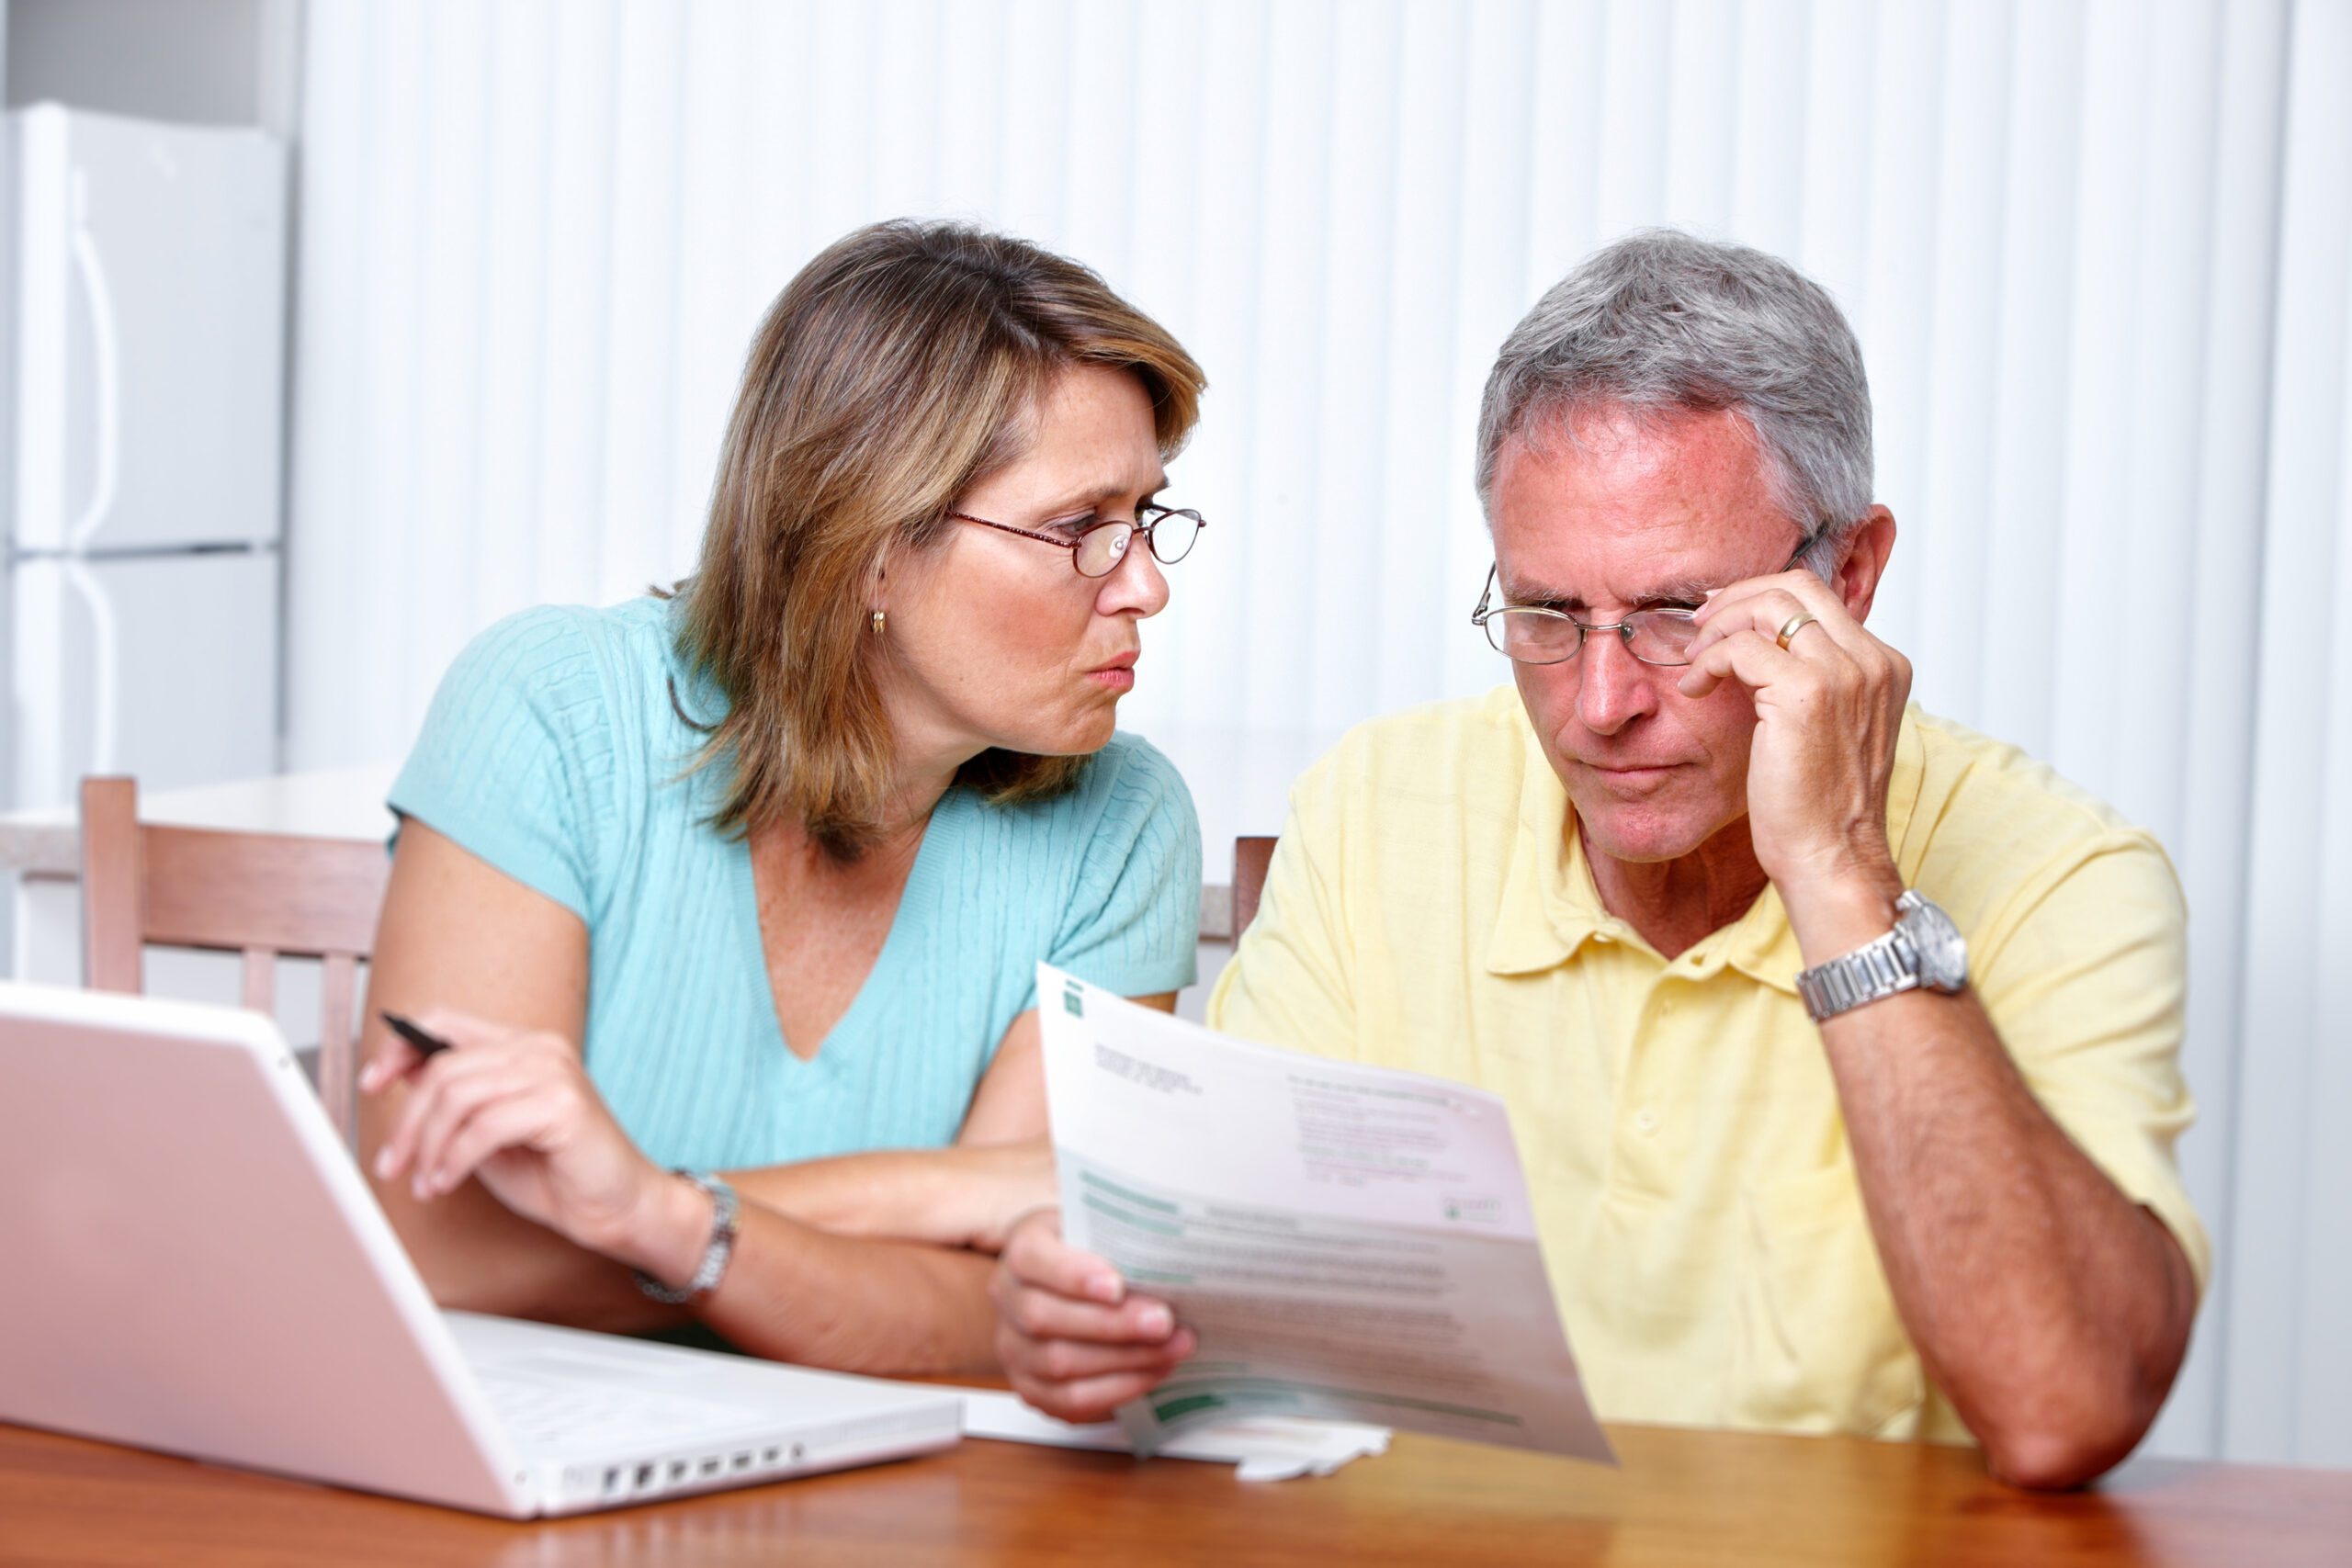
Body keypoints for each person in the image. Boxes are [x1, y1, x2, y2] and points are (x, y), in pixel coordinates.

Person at [990, 230, 2204, 1488]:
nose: (1601, 703)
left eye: (1680, 615)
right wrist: (1089, 1312)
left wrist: (1844, 878)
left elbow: (2066, 1406)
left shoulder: (2069, 870)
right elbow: (1222, 1299)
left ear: (1850, 572)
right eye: (1546, 615)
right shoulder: (1378, 807)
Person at [359, 220, 1206, 1375]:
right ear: (866, 543)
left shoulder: (1123, 823)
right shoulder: (553, 714)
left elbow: (999, 1320)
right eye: (1079, 529)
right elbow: (443, 1257)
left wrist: (648, 1212)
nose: (1147, 585)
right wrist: (946, 1198)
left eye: (1146, 517)